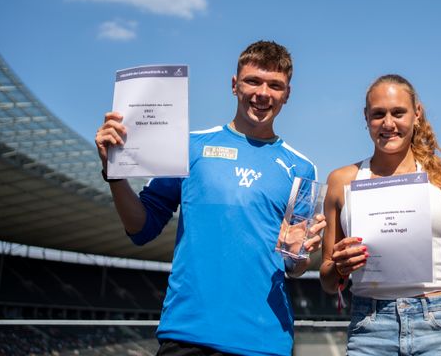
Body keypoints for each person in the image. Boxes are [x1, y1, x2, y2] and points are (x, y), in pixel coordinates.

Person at [95, 40, 325, 356]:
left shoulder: (301, 167)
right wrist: (115, 176)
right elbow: (141, 228)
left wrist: (300, 253)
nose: (262, 93)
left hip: (264, 341)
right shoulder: (188, 146)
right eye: (252, 81)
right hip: (188, 336)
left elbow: (294, 267)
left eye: (275, 85)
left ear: (287, 94)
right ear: (234, 85)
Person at [319, 74, 441, 355]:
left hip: (439, 323)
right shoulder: (341, 181)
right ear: (365, 117)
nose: (388, 123)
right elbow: (326, 280)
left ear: (416, 114)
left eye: (398, 113)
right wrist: (339, 266)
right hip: (371, 326)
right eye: (378, 114)